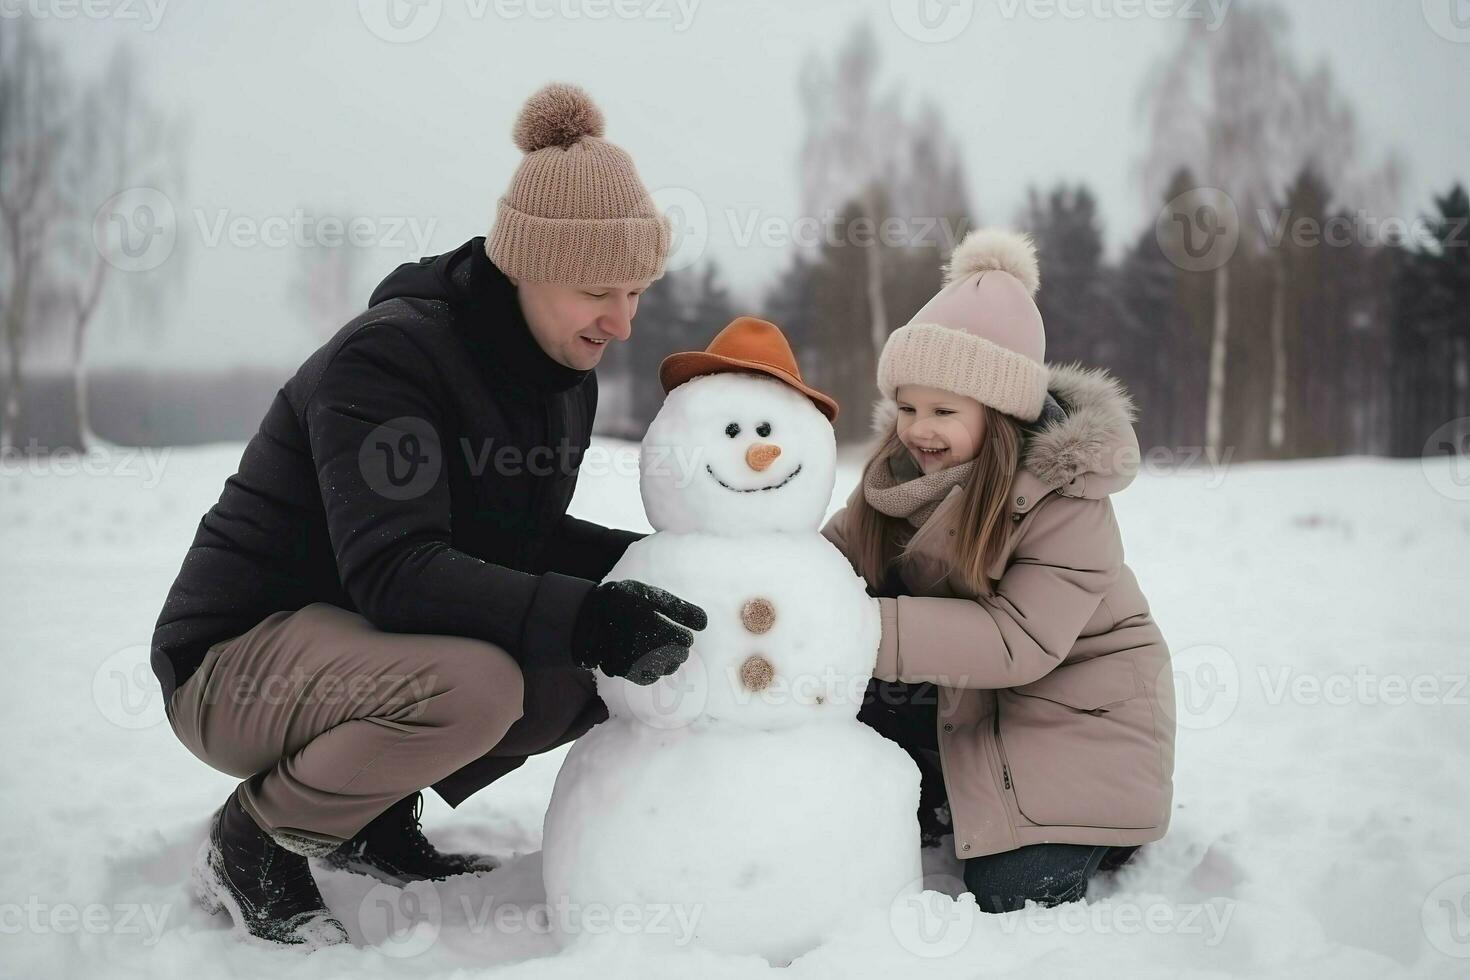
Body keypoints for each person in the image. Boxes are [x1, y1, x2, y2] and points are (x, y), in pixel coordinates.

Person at [152, 83, 706, 950]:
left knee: (575, 669)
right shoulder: (391, 359)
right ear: (524, 263)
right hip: (232, 665)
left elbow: (517, 547)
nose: (623, 320)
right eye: (601, 289)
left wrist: (662, 563)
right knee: (484, 685)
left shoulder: (560, 374)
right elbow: (397, 571)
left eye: (637, 291)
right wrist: (587, 611)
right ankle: (254, 842)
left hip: (353, 648)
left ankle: (369, 817)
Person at [821, 228, 1176, 914]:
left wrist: (855, 625)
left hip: (1078, 720)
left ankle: (1095, 835)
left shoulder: (1066, 501)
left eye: (945, 412)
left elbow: (1018, 641)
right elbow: (832, 561)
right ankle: (940, 793)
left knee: (1007, 894)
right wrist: (771, 586)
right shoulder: (899, 482)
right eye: (910, 408)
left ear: (1002, 415)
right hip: (978, 708)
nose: (921, 429)